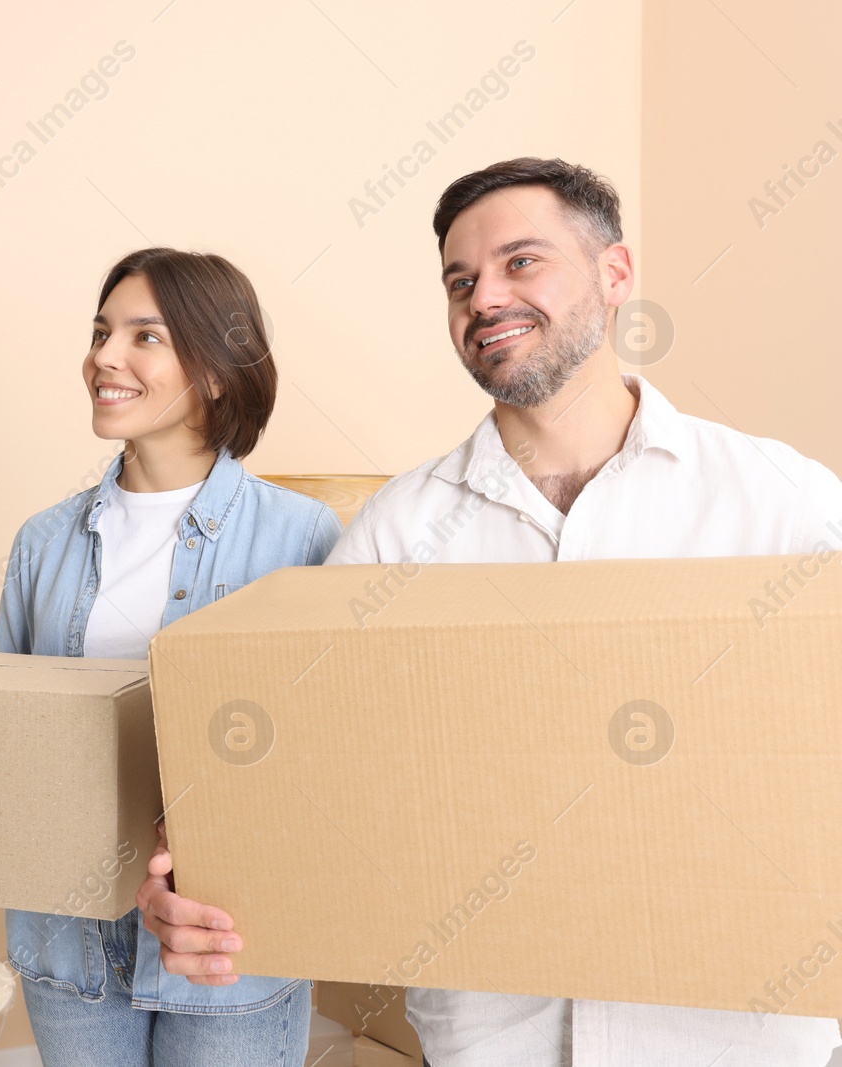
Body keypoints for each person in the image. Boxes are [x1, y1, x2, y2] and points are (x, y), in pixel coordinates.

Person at [135, 158, 842, 1066]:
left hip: (737, 1038)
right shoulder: (399, 533)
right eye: (459, 281)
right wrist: (197, 876)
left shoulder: (783, 503)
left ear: (616, 274)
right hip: (491, 1040)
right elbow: (290, 759)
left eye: (521, 262)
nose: (483, 298)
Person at [0, 246, 342, 1066]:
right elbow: (9, 742)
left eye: (144, 336)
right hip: (72, 940)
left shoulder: (302, 537)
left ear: (217, 373)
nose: (104, 356)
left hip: (229, 944)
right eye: (101, 330)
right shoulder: (41, 543)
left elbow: (327, 757)